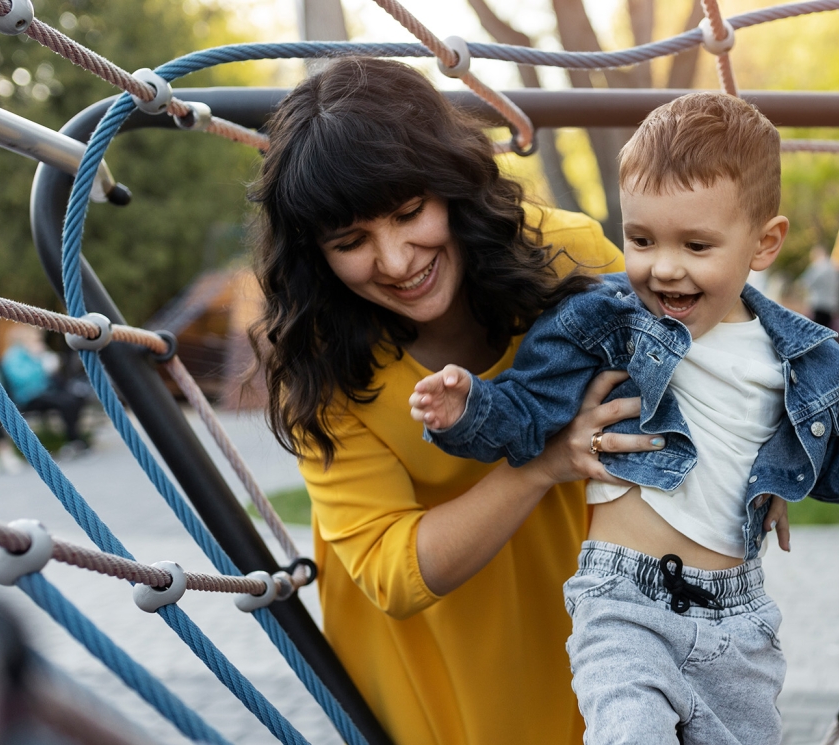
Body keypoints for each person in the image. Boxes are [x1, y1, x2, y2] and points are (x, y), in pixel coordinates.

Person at [411, 93, 839, 744]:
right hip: (624, 604)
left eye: (696, 244)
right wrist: (469, 406)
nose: (664, 266)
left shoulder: (804, 363)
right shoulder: (606, 324)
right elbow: (529, 410)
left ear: (765, 242)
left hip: (738, 618)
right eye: (641, 239)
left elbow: (835, 464)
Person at [249, 58, 662, 745]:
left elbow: (689, 362)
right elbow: (393, 570)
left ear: (451, 185)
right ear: (316, 254)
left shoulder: (564, 256)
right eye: (351, 242)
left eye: (410, 213)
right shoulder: (323, 364)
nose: (396, 260)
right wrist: (541, 464)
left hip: (590, 622)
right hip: (432, 664)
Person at [1, 326, 90, 457]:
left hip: (46, 392)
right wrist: (40, 364)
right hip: (29, 396)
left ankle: (75, 439)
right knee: (66, 403)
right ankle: (73, 440)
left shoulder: (35, 353)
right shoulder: (13, 357)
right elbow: (21, 379)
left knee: (75, 399)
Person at [798, 244, 839, 328]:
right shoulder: (834, 267)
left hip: (818, 302)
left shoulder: (818, 266)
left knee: (816, 328)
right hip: (831, 305)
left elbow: (805, 282)